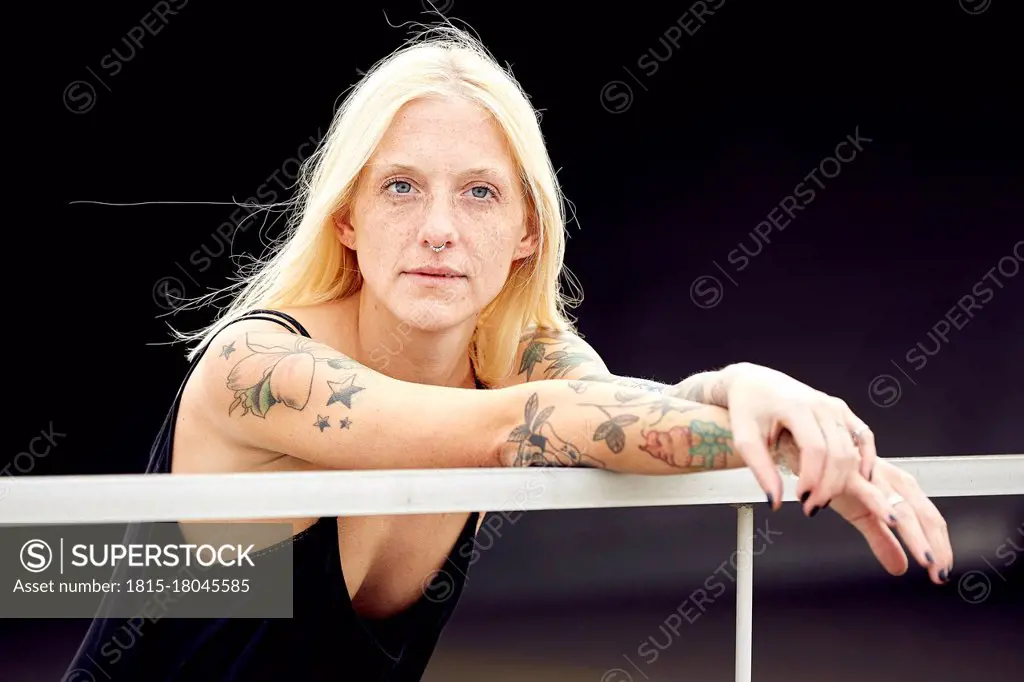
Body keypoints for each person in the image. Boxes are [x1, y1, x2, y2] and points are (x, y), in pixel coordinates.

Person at [65, 23, 953, 682]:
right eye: (401, 187)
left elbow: (611, 416)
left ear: (528, 231)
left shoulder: (517, 355)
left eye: (481, 193)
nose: (440, 230)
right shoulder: (254, 370)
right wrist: (774, 435)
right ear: (347, 216)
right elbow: (529, 428)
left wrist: (740, 387)